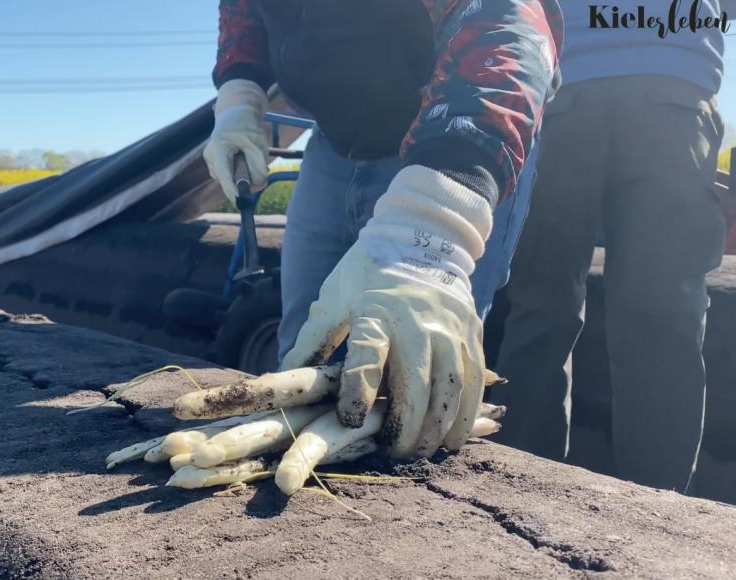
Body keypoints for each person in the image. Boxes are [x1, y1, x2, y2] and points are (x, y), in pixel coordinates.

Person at [202, 0, 562, 459]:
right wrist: (239, 90)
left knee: (411, 374)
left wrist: (433, 223)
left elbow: (504, 20)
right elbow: (245, 11)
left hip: (451, 136)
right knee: (305, 352)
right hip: (334, 142)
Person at [491, 0, 728, 492]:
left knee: (540, 309)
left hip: (562, 85)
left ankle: (519, 501)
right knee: (663, 315)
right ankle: (659, 521)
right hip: (672, 83)